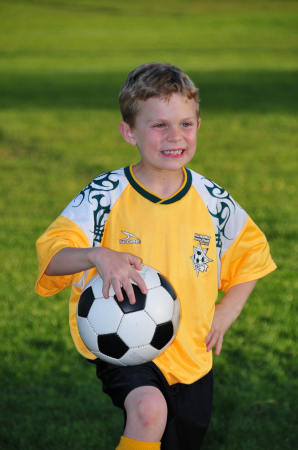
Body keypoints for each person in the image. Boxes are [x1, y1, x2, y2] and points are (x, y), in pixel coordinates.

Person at [35, 63, 276, 450]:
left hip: (192, 353)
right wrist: (98, 255)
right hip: (125, 347)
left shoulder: (213, 201)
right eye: (159, 125)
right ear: (129, 132)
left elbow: (251, 254)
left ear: (199, 125)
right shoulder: (104, 195)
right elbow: (51, 258)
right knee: (149, 410)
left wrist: (227, 310)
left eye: (185, 124)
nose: (174, 137)